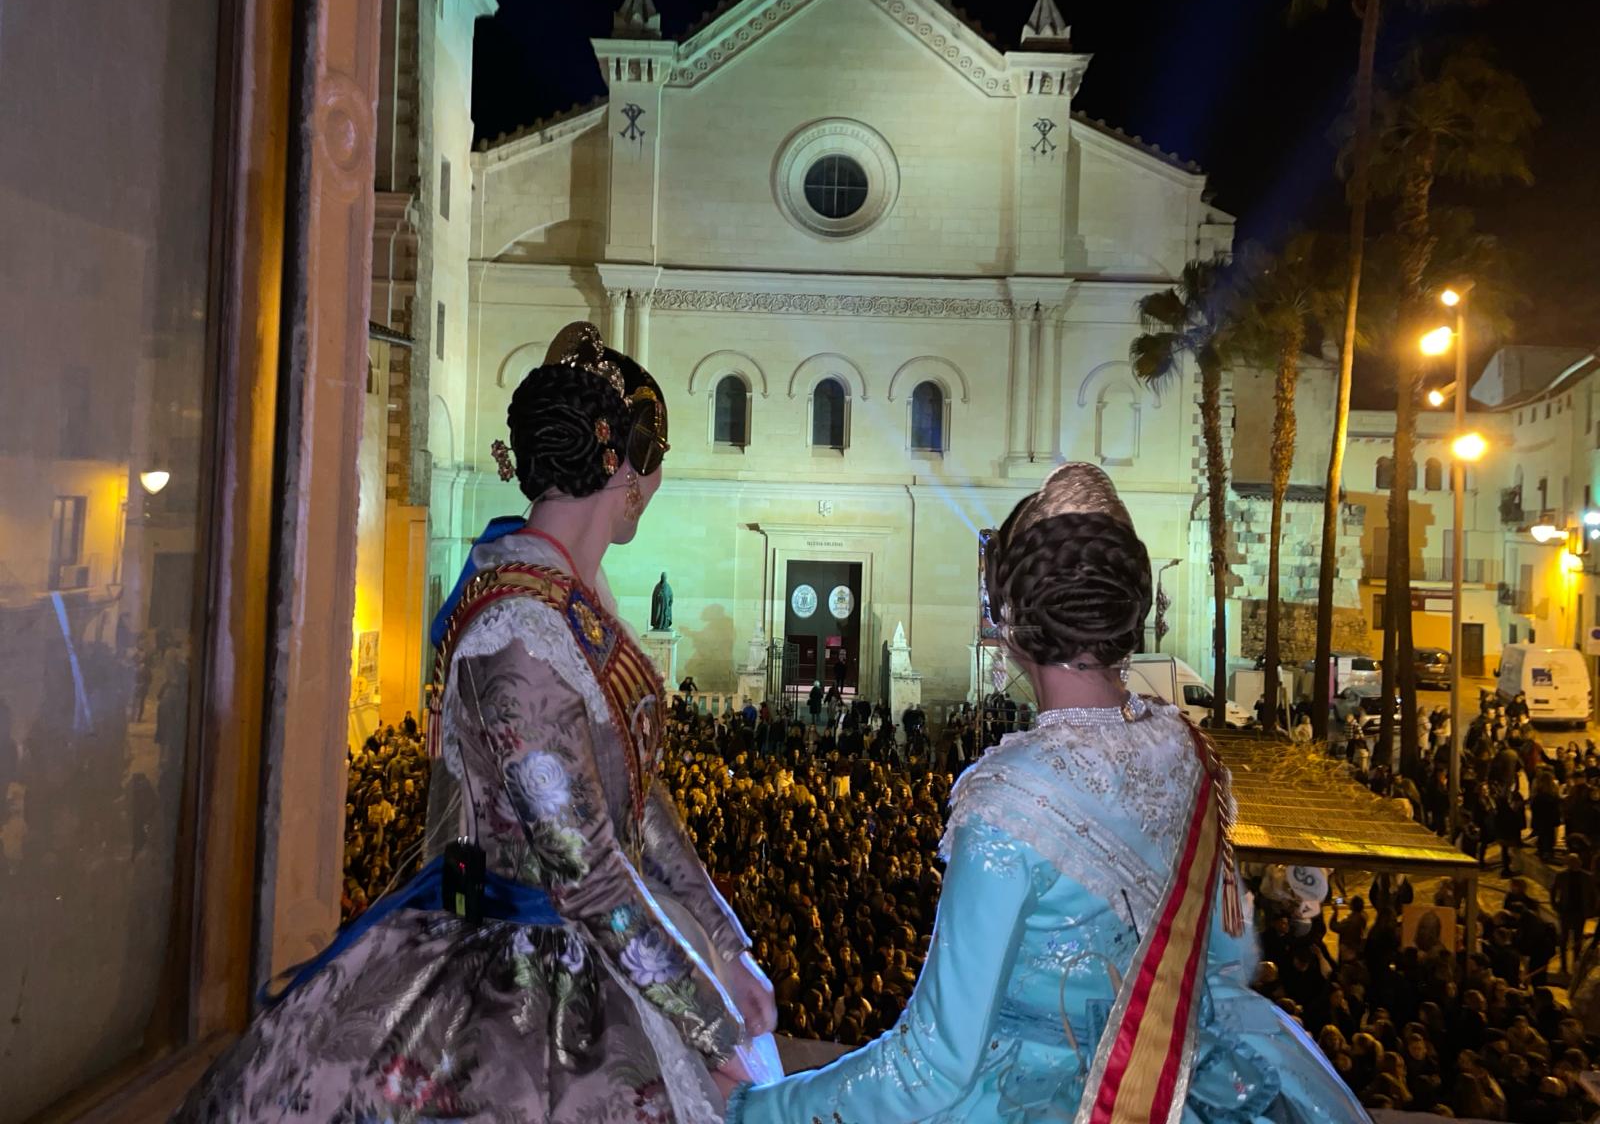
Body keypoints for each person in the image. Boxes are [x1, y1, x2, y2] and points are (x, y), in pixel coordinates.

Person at [175, 324, 776, 1122]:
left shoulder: (569, 601)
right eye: (653, 467)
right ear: (623, 468)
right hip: (523, 977)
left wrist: (725, 943)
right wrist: (705, 1019)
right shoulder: (519, 633)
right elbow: (588, 870)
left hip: (603, 948)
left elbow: (639, 805)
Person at [726, 463, 1367, 1123]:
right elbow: (1229, 962)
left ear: (1012, 624)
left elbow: (932, 1068)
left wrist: (754, 1110)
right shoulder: (1192, 757)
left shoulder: (1007, 801)